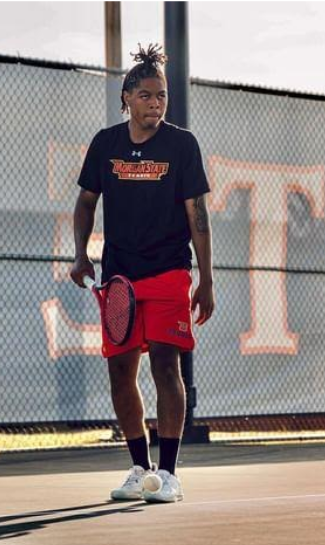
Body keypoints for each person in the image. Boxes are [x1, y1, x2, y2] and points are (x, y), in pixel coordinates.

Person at [70, 43, 214, 503]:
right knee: (120, 372)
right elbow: (86, 202)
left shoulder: (182, 145)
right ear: (127, 98)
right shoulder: (105, 144)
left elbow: (199, 216)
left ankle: (168, 474)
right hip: (120, 279)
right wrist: (80, 255)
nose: (156, 103)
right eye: (147, 95)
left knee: (166, 367)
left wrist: (206, 279)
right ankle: (139, 467)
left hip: (169, 272)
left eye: (162, 96)